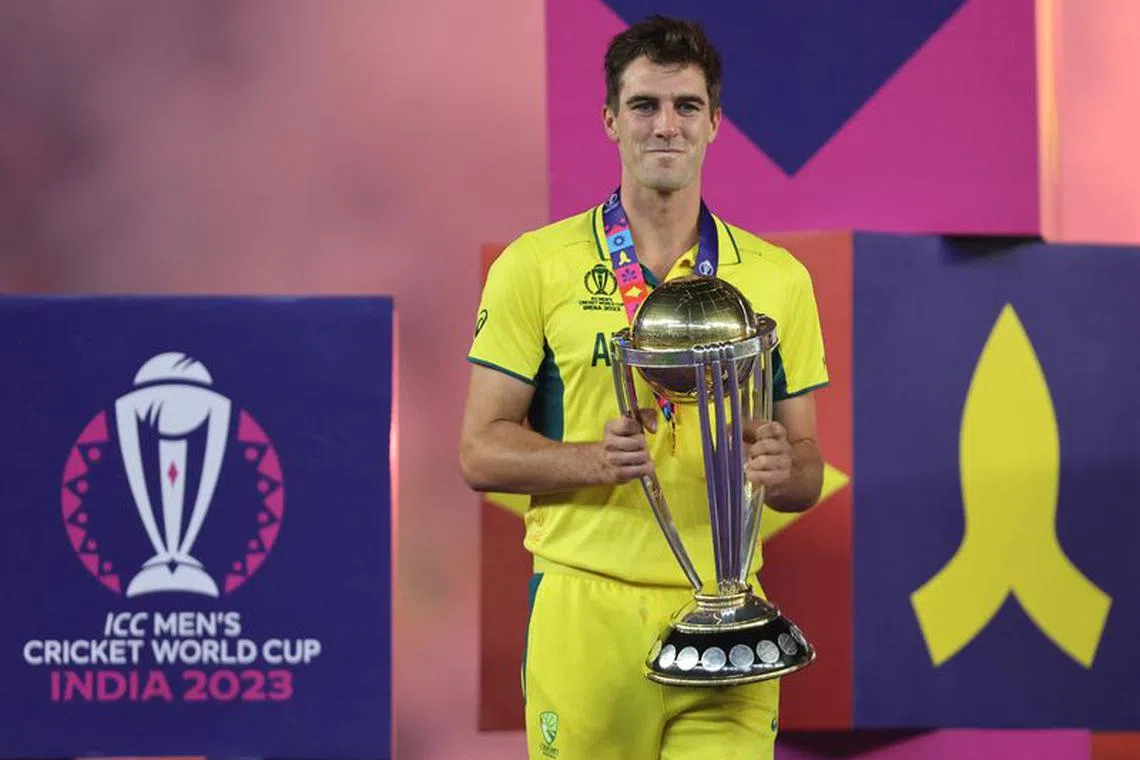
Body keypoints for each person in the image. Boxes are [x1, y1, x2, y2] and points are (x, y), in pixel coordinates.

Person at [460, 14, 828, 760]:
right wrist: (593, 460)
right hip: (587, 606)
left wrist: (782, 466)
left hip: (727, 612)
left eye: (687, 106)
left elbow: (807, 471)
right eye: (644, 105)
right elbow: (480, 451)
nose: (666, 126)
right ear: (610, 120)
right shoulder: (535, 266)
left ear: (714, 123)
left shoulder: (778, 280)